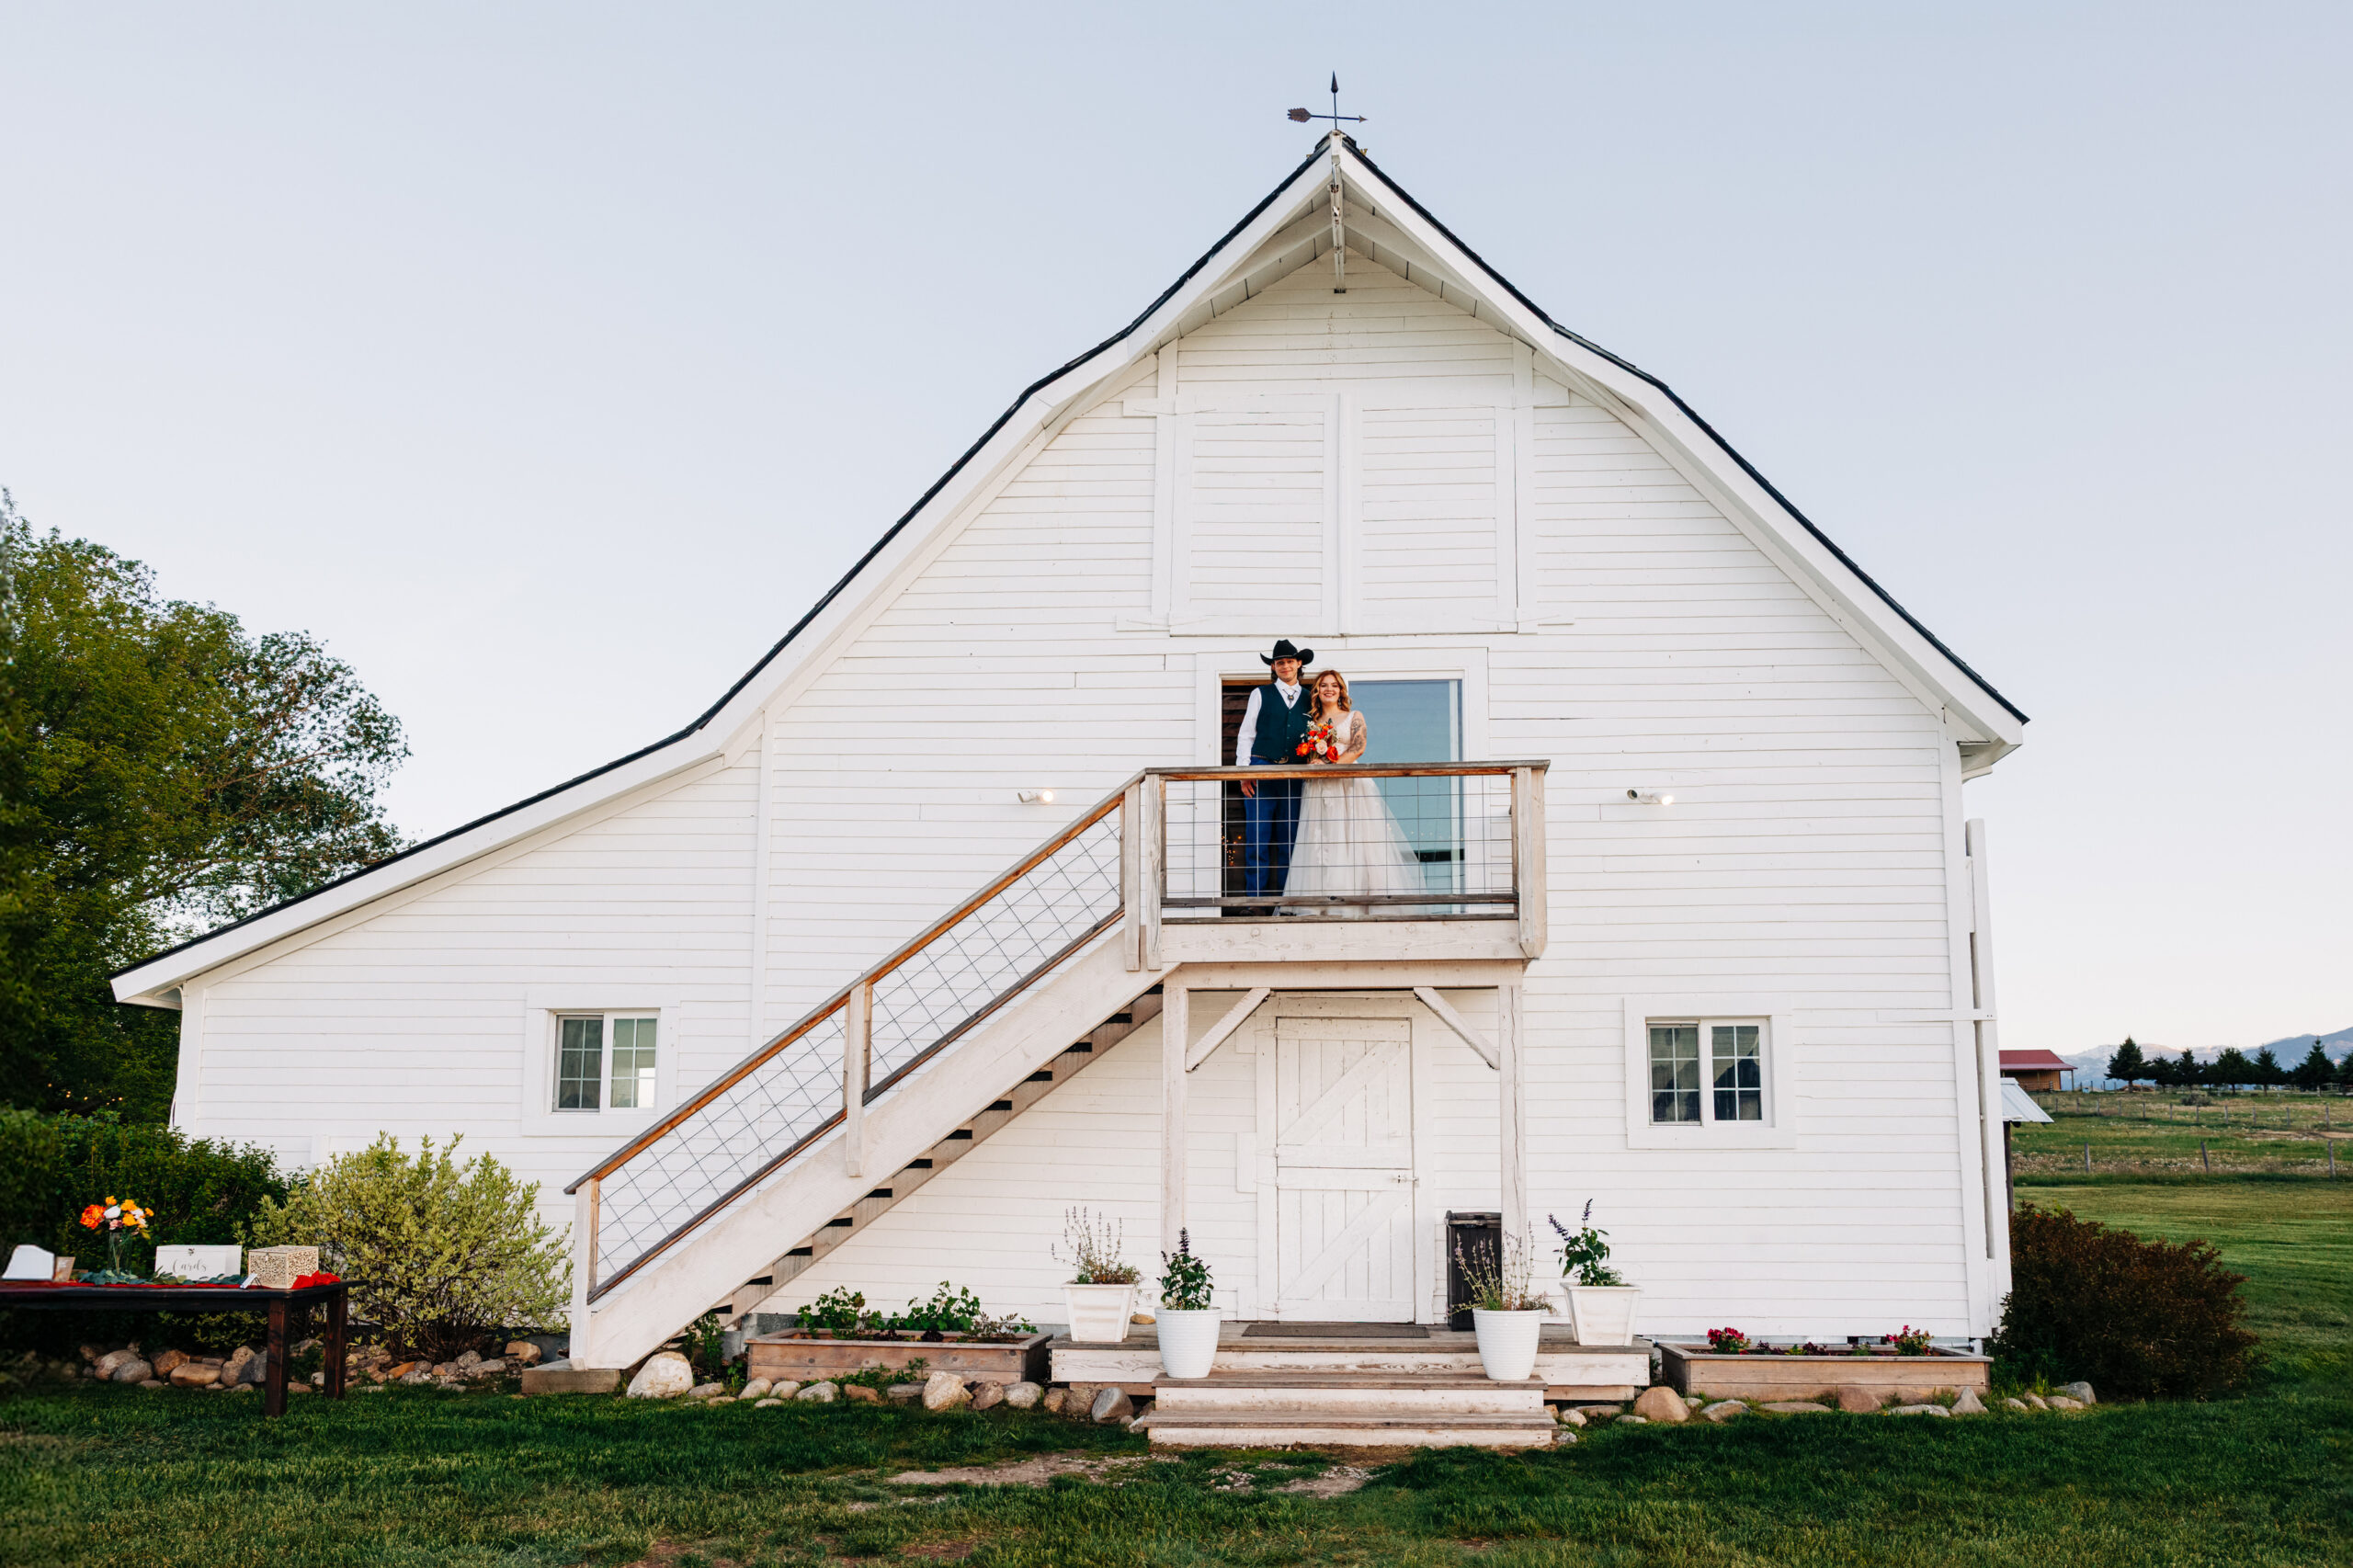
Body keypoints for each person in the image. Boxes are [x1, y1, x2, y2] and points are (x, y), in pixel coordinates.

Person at [1284, 668, 1427, 916]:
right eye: (1324, 685)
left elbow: (1358, 747)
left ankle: (1358, 902)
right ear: (1317, 691)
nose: (1329, 689)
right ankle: (1324, 903)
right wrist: (1314, 763)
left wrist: (1330, 766)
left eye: (1335, 685)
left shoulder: (1354, 716)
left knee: (1357, 837)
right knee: (1323, 839)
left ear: (1341, 691)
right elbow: (1309, 754)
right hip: (1320, 788)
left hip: (1348, 783)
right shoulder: (1312, 723)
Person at [1234, 639, 1314, 913]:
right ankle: (1255, 902)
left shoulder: (1310, 697)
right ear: (1274, 666)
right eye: (1279, 662)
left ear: (1299, 663)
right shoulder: (1261, 693)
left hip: (1294, 775)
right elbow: (1246, 734)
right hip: (1261, 770)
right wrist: (1244, 772)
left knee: (1289, 840)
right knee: (1258, 837)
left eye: (1289, 661)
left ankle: (1285, 903)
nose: (1285, 666)